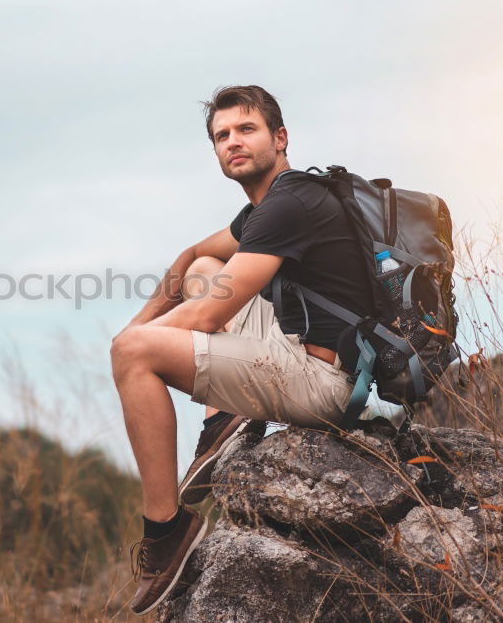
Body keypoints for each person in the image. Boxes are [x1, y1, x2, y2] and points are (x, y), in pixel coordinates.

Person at [111, 85, 372, 615]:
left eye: (246, 129)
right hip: (296, 353)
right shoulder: (268, 207)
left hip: (323, 383)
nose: (233, 142)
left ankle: (166, 530)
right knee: (204, 272)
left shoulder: (289, 204)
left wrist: (132, 346)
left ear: (280, 138)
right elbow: (192, 258)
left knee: (137, 353)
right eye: (221, 135)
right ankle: (220, 421)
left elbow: (206, 317)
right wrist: (134, 326)